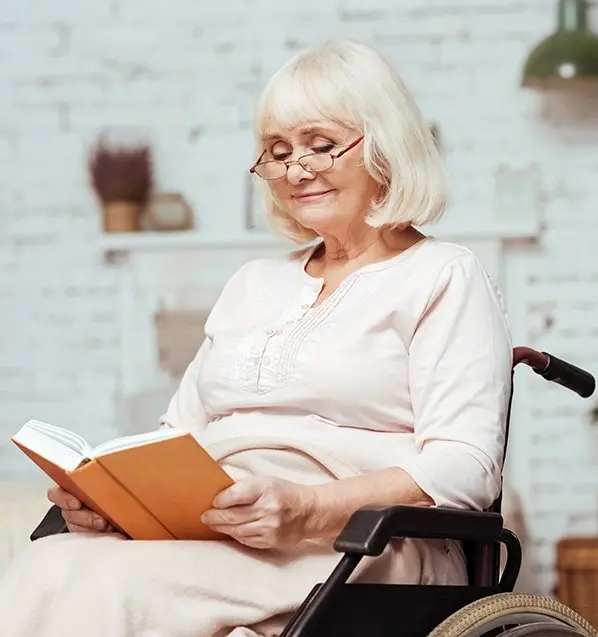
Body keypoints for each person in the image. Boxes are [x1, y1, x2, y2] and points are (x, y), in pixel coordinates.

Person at [0, 39, 512, 637]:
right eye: (277, 151)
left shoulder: (442, 274)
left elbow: (467, 468)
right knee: (49, 560)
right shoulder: (254, 283)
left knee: (111, 586)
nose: (296, 169)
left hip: (358, 548)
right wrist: (115, 503)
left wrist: (306, 510)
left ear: (387, 145)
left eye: (321, 145)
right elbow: (177, 436)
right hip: (219, 531)